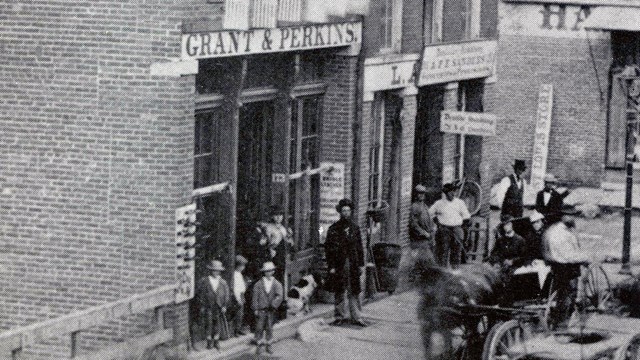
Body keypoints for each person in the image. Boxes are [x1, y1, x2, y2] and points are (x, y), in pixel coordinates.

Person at [542, 209, 589, 330]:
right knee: (568, 295)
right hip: (566, 267)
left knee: (562, 294)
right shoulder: (562, 234)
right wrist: (585, 258)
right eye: (569, 215)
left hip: (558, 265)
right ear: (563, 217)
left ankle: (560, 319)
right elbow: (570, 255)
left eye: (573, 215)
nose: (572, 218)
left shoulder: (556, 229)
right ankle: (562, 324)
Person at [325, 198, 367, 327]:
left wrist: (360, 264)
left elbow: (360, 247)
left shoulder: (355, 229)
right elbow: (329, 249)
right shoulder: (334, 229)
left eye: (348, 211)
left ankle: (357, 316)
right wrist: (331, 266)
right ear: (340, 212)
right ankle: (339, 316)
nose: (346, 213)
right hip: (339, 263)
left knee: (354, 290)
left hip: (353, 263)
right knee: (339, 290)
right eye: (344, 211)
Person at [429, 183, 471, 268]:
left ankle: (455, 272)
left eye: (454, 191)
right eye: (450, 192)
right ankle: (442, 272)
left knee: (456, 252)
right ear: (445, 193)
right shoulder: (439, 203)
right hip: (444, 230)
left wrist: (462, 228)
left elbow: (466, 216)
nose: (452, 194)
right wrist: (437, 222)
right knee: (443, 252)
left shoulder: (460, 203)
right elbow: (430, 213)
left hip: (456, 229)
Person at [256, 205, 295, 288]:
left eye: (280, 215)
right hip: (271, 254)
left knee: (280, 274)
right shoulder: (268, 227)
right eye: (276, 215)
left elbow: (288, 242)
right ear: (272, 216)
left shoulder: (283, 228)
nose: (278, 218)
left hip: (281, 255)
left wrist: (289, 238)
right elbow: (263, 242)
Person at [195, 260, 230, 351]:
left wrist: (224, 306)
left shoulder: (223, 282)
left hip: (218, 306)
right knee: (208, 323)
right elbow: (201, 294)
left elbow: (226, 295)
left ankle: (216, 340)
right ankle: (209, 341)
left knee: (217, 324)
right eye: (214, 270)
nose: (216, 272)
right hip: (208, 306)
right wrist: (202, 305)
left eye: (218, 271)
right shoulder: (205, 281)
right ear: (210, 270)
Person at [252, 261, 284, 355]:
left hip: (270, 310)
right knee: (259, 328)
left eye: (270, 271)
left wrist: (273, 305)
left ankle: (269, 345)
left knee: (269, 327)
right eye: (266, 271)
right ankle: (259, 345)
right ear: (264, 272)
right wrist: (255, 309)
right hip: (261, 309)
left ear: (273, 271)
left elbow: (280, 296)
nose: (268, 273)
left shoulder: (277, 284)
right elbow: (255, 297)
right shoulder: (258, 284)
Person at [409, 184, 435, 257]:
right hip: (419, 239)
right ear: (416, 194)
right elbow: (413, 224)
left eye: (423, 193)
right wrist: (424, 233)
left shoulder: (424, 205)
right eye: (419, 193)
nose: (421, 195)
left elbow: (429, 219)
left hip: (427, 238)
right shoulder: (415, 206)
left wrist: (432, 229)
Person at [230, 255, 248, 337]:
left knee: (241, 313)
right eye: (242, 266)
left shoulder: (239, 274)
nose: (243, 267)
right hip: (238, 296)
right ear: (237, 266)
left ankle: (239, 328)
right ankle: (236, 330)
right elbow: (236, 288)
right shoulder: (235, 275)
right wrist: (238, 299)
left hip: (241, 295)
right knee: (238, 314)